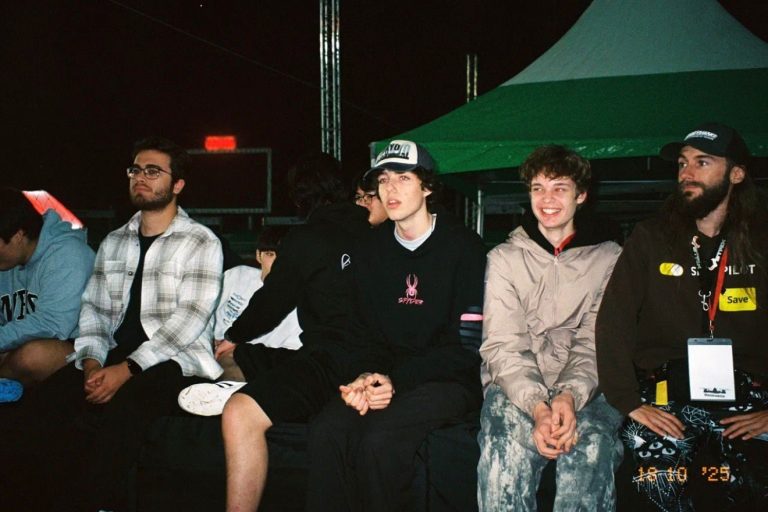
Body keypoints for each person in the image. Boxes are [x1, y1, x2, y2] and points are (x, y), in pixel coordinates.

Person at [3, 136, 224, 511]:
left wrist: (129, 369)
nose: (141, 177)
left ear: (178, 185)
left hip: (177, 360)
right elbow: (95, 311)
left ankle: (95, 503)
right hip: (115, 354)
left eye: (153, 171)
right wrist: (91, 361)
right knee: (45, 406)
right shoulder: (115, 242)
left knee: (126, 408)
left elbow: (188, 322)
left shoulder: (201, 241)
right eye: (135, 169)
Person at [305, 140, 487, 511]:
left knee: (380, 440)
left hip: (447, 380)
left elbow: (466, 345)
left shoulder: (464, 247)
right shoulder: (369, 250)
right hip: (384, 376)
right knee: (327, 431)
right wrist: (365, 376)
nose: (391, 189)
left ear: (428, 186)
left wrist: (395, 381)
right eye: (384, 180)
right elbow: (360, 332)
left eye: (403, 178)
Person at [596, 123, 768, 511]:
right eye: (682, 163)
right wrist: (628, 401)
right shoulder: (651, 237)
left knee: (747, 485)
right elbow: (613, 322)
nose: (686, 173)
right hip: (665, 396)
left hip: (749, 398)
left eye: (702, 162)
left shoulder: (762, 240)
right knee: (657, 483)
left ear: (736, 174)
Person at [216, 152, 372, 511]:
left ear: (300, 196)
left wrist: (233, 334)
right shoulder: (374, 231)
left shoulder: (308, 237)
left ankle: (233, 388)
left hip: (330, 363)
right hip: (370, 361)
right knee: (257, 357)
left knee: (240, 412)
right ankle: (232, 381)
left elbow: (273, 301)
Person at [476, 145, 624, 511]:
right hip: (516, 385)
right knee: (503, 456)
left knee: (589, 453)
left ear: (581, 195)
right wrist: (538, 407)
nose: (547, 199)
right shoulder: (504, 258)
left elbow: (596, 341)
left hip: (591, 385)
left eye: (560, 188)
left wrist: (569, 395)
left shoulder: (610, 258)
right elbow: (503, 344)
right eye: (538, 188)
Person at [177, 226, 303, 413]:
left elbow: (284, 355)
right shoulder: (238, 275)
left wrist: (233, 347)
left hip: (247, 363)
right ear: (258, 255)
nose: (277, 264)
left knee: (237, 354)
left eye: (284, 257)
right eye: (270, 254)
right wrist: (207, 340)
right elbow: (203, 313)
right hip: (208, 351)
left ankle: (232, 392)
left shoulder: (301, 302)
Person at [0, 187, 94, 393]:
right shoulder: (7, 262)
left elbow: (53, 323)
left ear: (18, 235)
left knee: (33, 356)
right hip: (23, 346)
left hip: (82, 353)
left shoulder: (69, 254)